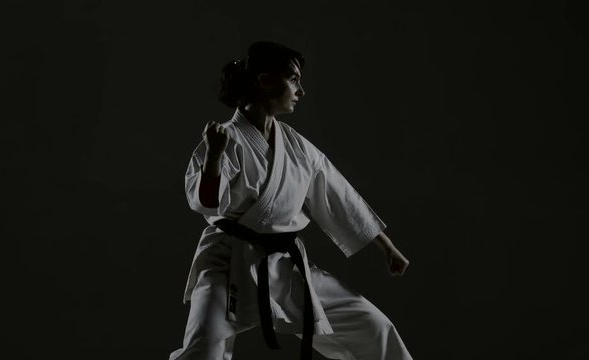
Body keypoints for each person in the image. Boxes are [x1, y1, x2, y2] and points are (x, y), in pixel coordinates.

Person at [169, 41, 413, 360]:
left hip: (283, 263)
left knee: (374, 327)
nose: (300, 90)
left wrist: (386, 246)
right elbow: (206, 202)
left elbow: (335, 191)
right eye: (294, 79)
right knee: (203, 351)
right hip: (228, 263)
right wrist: (214, 157)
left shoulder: (296, 146)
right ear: (266, 80)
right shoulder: (225, 138)